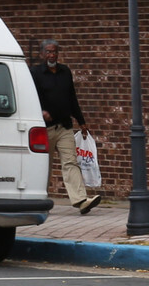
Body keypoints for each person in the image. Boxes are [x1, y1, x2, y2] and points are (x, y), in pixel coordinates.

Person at [29, 40, 98, 215]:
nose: (52, 55)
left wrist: (81, 122)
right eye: (49, 52)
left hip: (65, 126)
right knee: (45, 166)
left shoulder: (65, 71)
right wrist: (41, 111)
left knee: (70, 162)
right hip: (45, 129)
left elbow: (72, 97)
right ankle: (39, 201)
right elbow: (30, 97)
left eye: (55, 52)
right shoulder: (35, 72)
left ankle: (80, 200)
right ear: (42, 53)